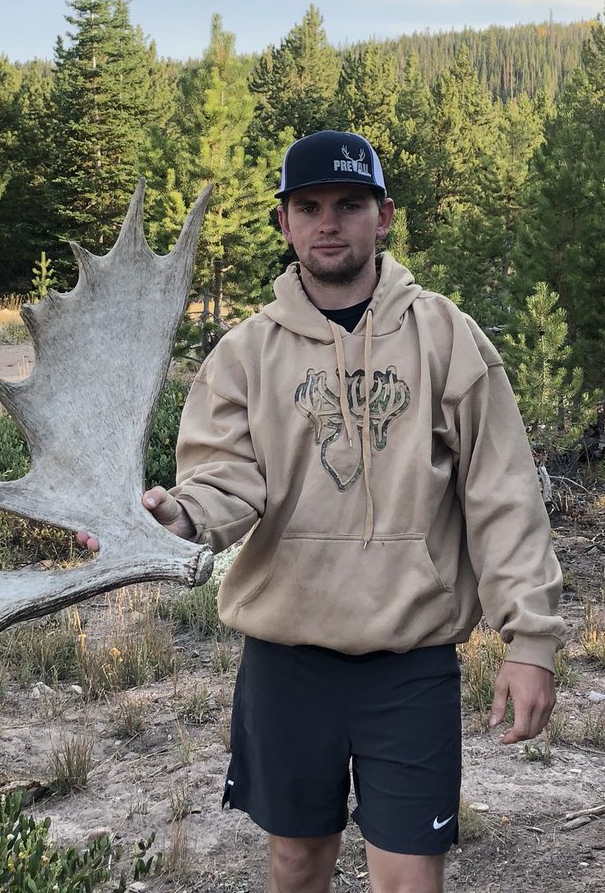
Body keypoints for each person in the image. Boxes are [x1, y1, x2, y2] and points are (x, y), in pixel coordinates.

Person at [79, 130, 564, 893]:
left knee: (409, 875)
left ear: (385, 215)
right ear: (284, 223)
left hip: (409, 663)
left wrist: (530, 639)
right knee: (298, 861)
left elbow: (502, 496)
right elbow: (224, 484)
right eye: (309, 206)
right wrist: (176, 517)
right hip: (288, 659)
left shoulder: (445, 337)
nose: (328, 222)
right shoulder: (244, 354)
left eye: (350, 204)